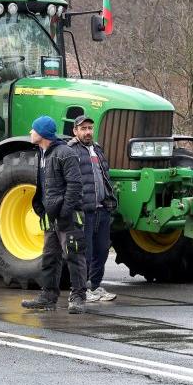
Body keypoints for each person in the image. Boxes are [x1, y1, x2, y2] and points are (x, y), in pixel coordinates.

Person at [22, 115, 89, 313]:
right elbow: (44, 184)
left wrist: (65, 212)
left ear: (42, 133)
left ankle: (78, 298)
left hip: (67, 215)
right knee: (50, 257)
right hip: (51, 217)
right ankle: (48, 296)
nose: (30, 133)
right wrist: (42, 208)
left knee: (74, 255)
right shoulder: (42, 153)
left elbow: (75, 185)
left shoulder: (64, 153)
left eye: (33, 129)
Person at [67, 115, 118, 302]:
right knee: (85, 253)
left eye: (90, 128)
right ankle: (83, 289)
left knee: (102, 250)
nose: (88, 132)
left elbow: (105, 177)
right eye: (83, 128)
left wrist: (110, 201)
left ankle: (95, 286)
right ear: (75, 131)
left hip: (102, 209)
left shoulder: (97, 149)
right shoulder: (70, 151)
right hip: (84, 211)